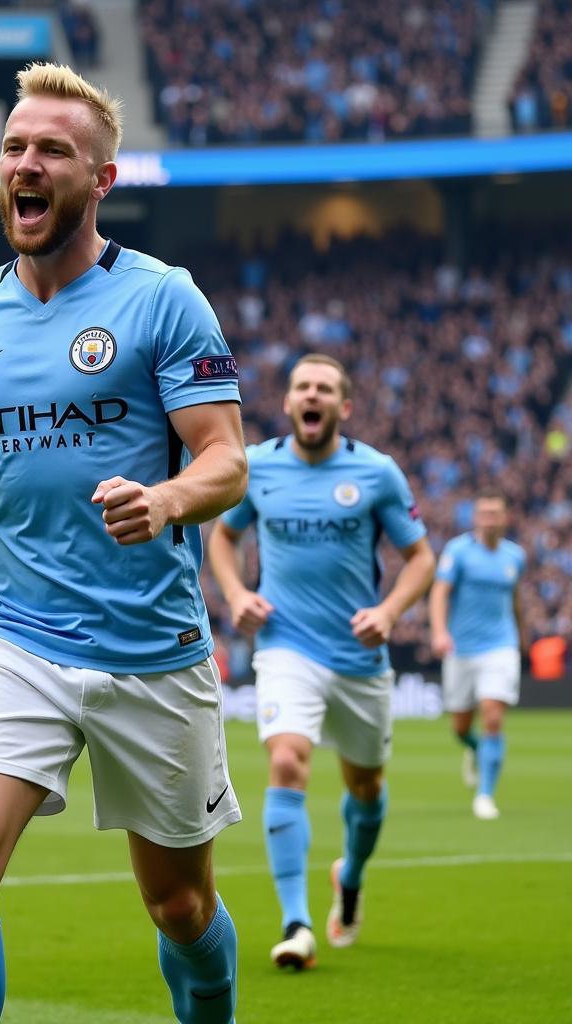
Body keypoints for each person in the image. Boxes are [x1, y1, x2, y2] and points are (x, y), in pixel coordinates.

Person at [0, 63, 248, 1023]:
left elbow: (226, 463)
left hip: (150, 649)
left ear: (102, 180)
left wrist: (165, 501)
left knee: (180, 906)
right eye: (12, 148)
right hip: (17, 637)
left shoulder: (165, 299)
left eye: (51, 151)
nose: (24, 165)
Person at [208, 354, 435, 970]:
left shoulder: (376, 473)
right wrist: (234, 595)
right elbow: (223, 537)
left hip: (360, 654)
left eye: (326, 388)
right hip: (286, 646)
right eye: (303, 386)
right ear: (288, 402)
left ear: (344, 406)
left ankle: (351, 876)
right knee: (286, 760)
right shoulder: (259, 467)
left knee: (366, 787)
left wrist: (388, 613)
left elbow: (420, 559)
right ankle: (297, 924)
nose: (313, 395)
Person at [429, 491, 526, 820]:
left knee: (493, 716)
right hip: (461, 649)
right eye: (483, 512)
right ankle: (474, 749)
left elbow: (515, 601)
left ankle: (485, 795)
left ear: (505, 517)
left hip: (500, 646)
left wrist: (522, 636)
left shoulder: (515, 556)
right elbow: (440, 592)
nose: (488, 518)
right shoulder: (458, 552)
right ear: (475, 517)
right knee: (460, 727)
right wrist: (440, 632)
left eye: (494, 513)